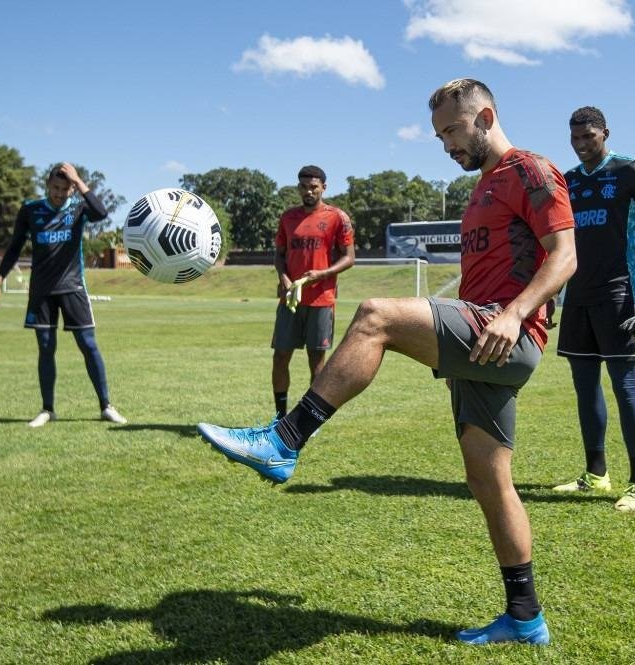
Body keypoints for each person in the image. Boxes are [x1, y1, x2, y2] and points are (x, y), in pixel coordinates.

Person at [197, 78, 576, 645]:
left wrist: (516, 313)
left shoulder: (531, 170)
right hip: (483, 341)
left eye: (452, 130)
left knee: (375, 314)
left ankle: (284, 441)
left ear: (486, 116)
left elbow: (565, 256)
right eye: (439, 134)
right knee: (489, 482)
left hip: (506, 332)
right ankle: (526, 618)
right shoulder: (480, 189)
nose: (447, 144)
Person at [552, 106, 635, 513]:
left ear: (605, 133)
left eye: (589, 137)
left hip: (621, 295)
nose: (581, 145)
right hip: (577, 297)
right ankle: (595, 474)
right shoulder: (567, 182)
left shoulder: (630, 172)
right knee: (584, 385)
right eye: (575, 139)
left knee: (625, 387)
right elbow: (556, 245)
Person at [0, 163, 127, 427]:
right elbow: (15, 247)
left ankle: (106, 406)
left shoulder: (79, 208)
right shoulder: (30, 209)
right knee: (45, 347)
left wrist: (79, 181)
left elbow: (101, 212)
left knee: (88, 345)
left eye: (65, 189)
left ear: (72, 188)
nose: (59, 194)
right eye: (55, 188)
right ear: (47, 185)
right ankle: (47, 409)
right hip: (41, 291)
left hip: (73, 286)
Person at [271, 165, 355, 421]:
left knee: (316, 361)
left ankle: (308, 419)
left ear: (323, 188)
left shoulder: (337, 217)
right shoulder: (288, 218)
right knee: (280, 357)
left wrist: (320, 274)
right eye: (304, 186)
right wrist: (284, 277)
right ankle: (279, 416)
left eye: (313, 187)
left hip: (321, 299)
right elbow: (279, 255)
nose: (308, 191)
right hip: (290, 299)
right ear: (298, 187)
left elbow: (349, 258)